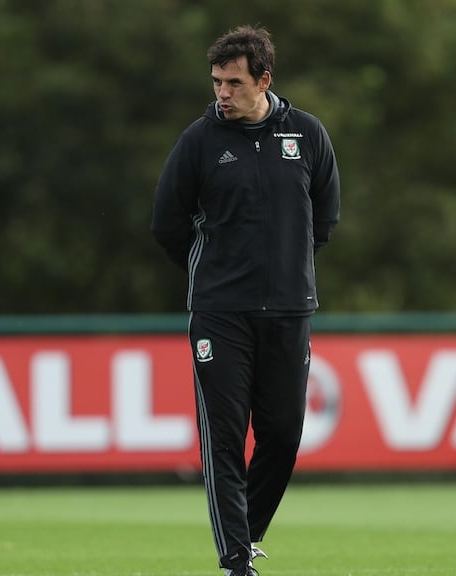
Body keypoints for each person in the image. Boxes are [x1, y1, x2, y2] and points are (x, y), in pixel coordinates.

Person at [151, 25, 340, 576]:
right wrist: (218, 272)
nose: (222, 94)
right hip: (220, 313)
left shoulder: (306, 135)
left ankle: (247, 531)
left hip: (288, 311)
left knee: (282, 436)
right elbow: (167, 223)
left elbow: (323, 221)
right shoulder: (199, 141)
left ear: (264, 79)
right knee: (226, 439)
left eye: (234, 83)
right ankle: (236, 560)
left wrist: (283, 270)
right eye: (216, 82)